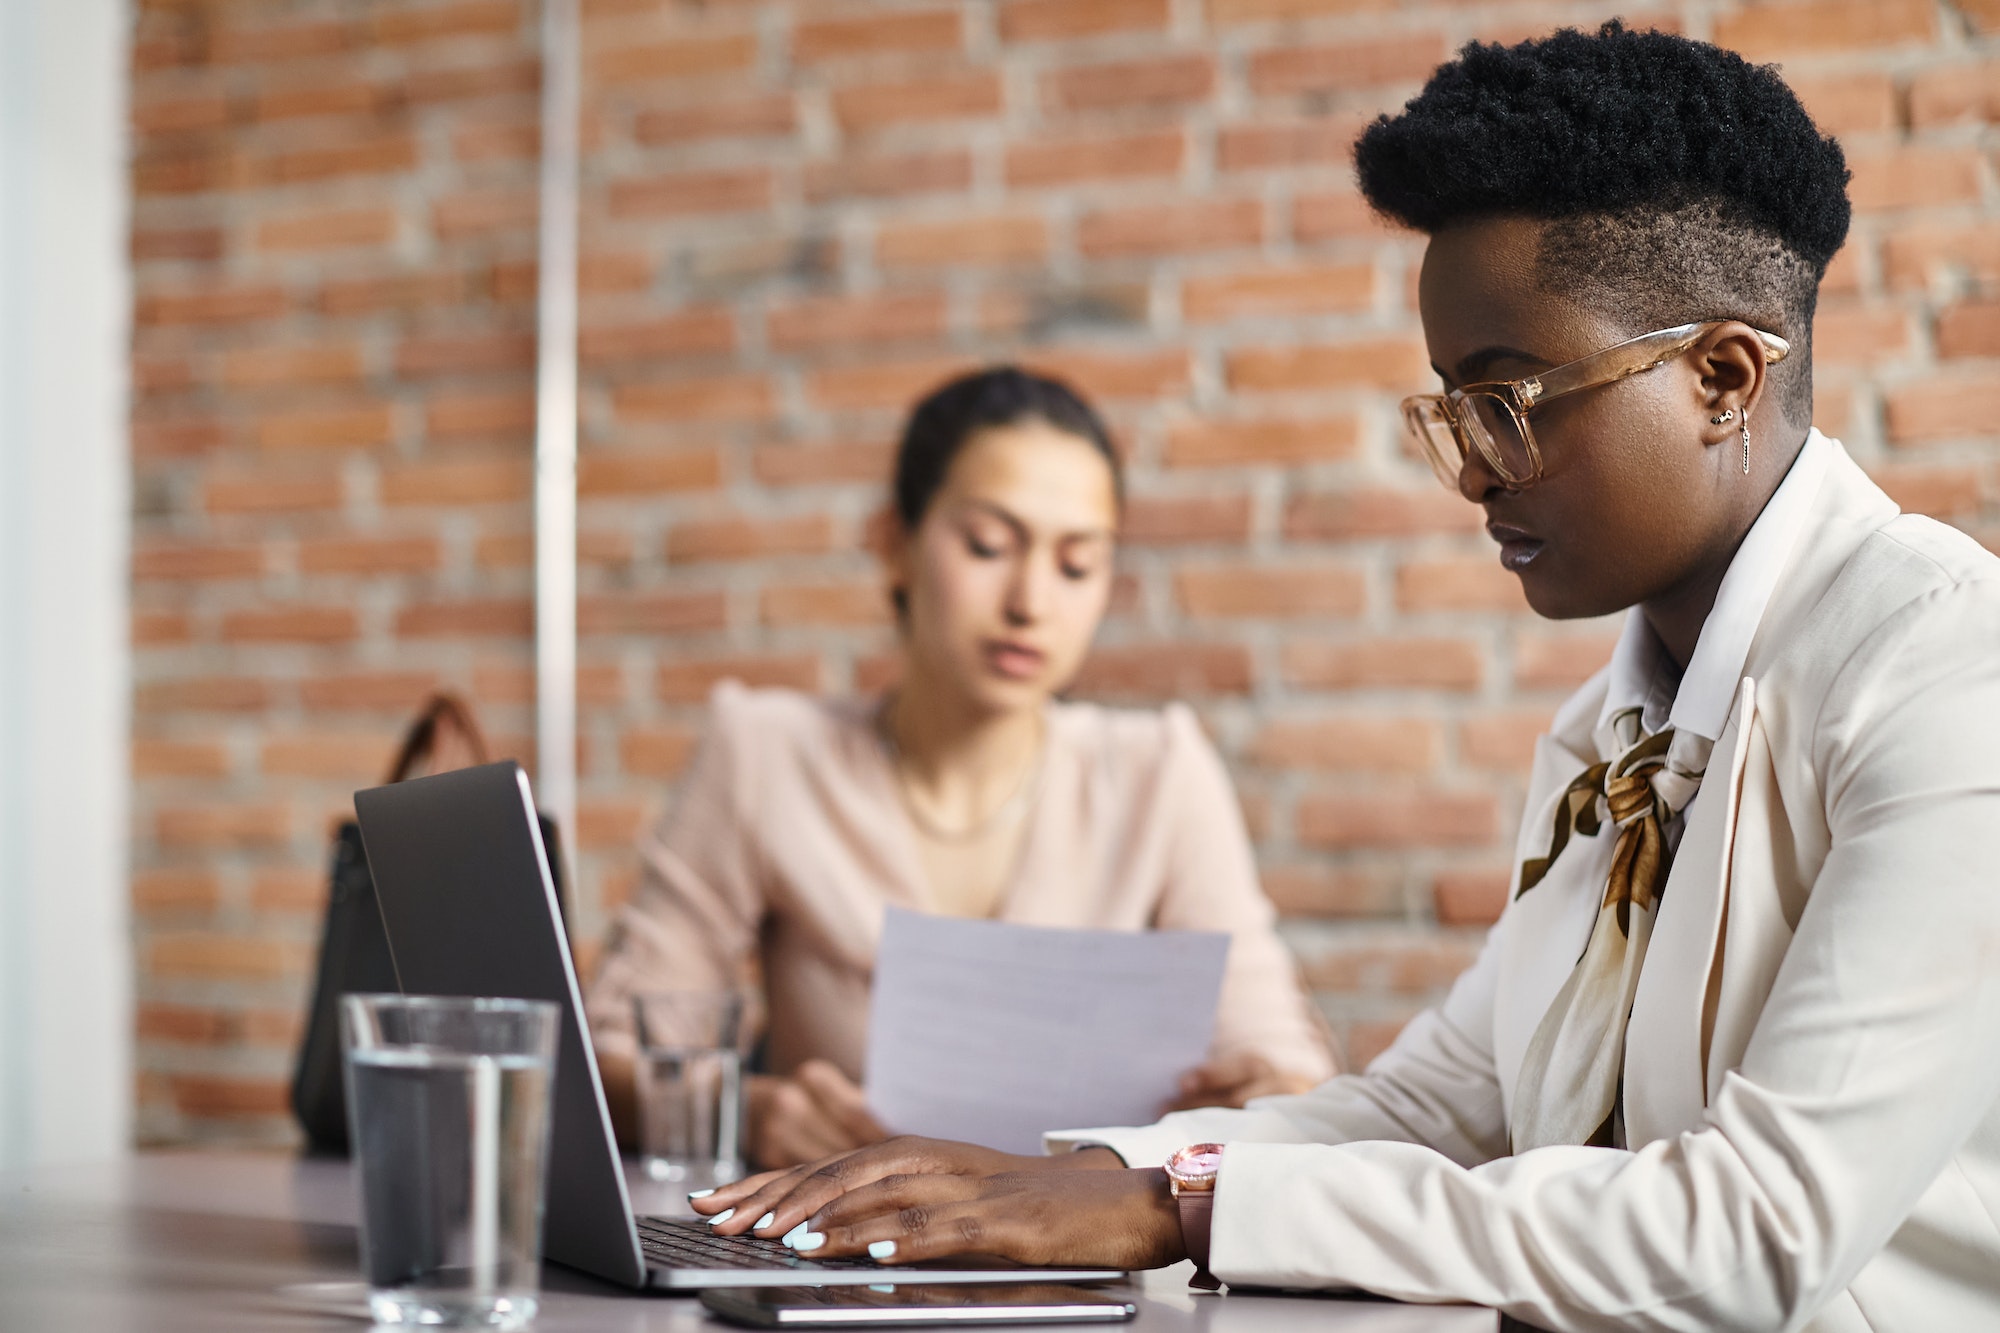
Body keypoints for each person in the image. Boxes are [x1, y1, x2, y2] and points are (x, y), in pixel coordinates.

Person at [688, 24, 2000, 1330]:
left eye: (1513, 399)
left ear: (1722, 378)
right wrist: (1077, 1174)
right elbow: (1431, 1106)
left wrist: (1173, 1211)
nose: (1475, 468)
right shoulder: (1604, 734)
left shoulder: (1946, 668)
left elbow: (1757, 1233)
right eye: (1452, 408)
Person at [587, 366, 1335, 1170]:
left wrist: (1262, 1094)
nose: (1030, 601)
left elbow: (1288, 1065)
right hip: (841, 1262)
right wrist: (746, 1109)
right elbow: (606, 1057)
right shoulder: (766, 753)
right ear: (893, 543)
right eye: (988, 545)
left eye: (1077, 564)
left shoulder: (1157, 773)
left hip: (1090, 1270)